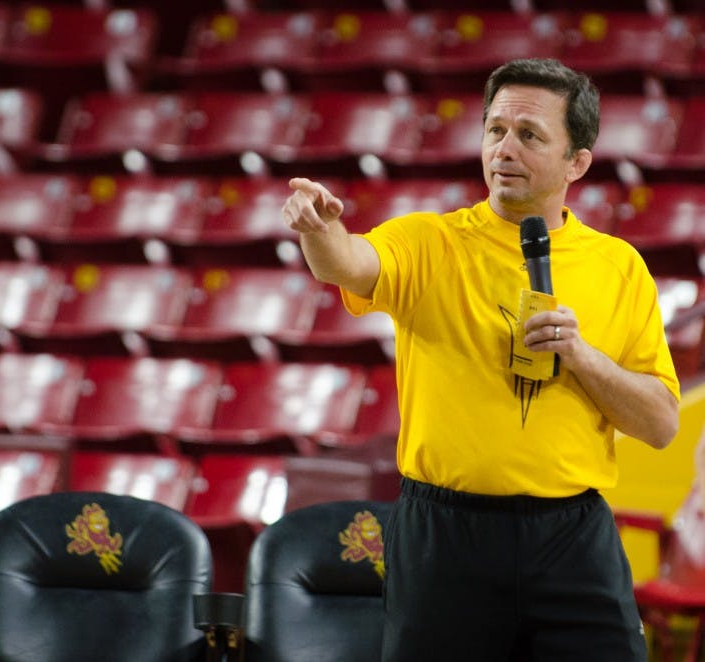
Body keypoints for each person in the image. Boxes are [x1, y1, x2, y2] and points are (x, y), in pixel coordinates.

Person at [281, 58, 680, 661]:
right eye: (494, 130)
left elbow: (659, 423)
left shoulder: (619, 267)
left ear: (578, 162)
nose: (504, 149)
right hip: (444, 535)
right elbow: (348, 263)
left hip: (572, 538)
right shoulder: (428, 241)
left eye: (529, 135)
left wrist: (580, 355)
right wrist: (318, 228)